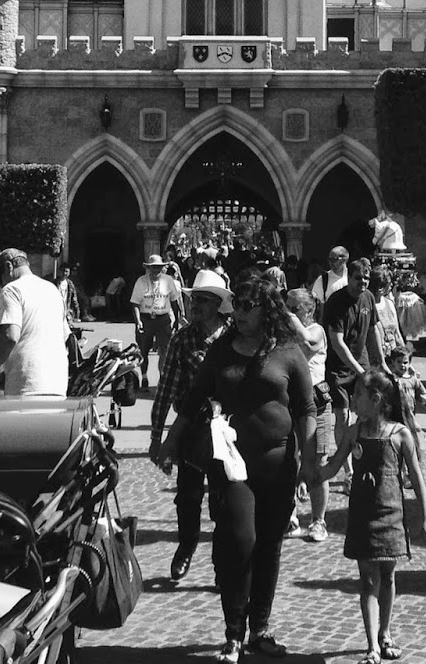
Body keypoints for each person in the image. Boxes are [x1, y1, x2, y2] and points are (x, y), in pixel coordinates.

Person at [155, 274, 317, 663]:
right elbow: (193, 397)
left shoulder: (287, 351)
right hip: (231, 464)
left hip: (278, 464)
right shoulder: (222, 350)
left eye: (246, 306)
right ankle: (233, 633)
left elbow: (306, 408)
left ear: (267, 310)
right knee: (239, 542)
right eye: (236, 305)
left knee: (269, 546)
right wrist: (169, 440)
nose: (237, 313)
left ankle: (259, 628)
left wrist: (310, 462)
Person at [322, 369, 426, 664]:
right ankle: (372, 645)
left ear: (376, 399)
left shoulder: (400, 434)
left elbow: (417, 478)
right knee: (368, 580)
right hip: (362, 516)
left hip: (391, 515)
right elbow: (333, 466)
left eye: (358, 394)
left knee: (388, 576)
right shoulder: (354, 432)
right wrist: (307, 476)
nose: (353, 399)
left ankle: (385, 633)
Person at [150, 268, 234, 581]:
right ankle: (186, 546)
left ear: (217, 304)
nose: (195, 305)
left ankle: (222, 564)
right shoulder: (182, 339)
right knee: (188, 496)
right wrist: (157, 437)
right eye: (193, 299)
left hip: (227, 431)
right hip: (192, 428)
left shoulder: (234, 338)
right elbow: (166, 389)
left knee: (223, 500)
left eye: (202, 300)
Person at [0, 249, 68, 398]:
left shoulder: (12, 289)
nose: (2, 284)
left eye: (2, 278)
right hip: (57, 382)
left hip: (27, 385)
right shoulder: (52, 290)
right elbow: (64, 335)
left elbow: (10, 337)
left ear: (9, 267)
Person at [324, 259, 387, 458]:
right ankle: (346, 466)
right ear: (349, 277)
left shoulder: (368, 297)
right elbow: (337, 343)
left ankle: (362, 453)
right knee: (342, 414)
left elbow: (373, 330)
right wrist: (359, 371)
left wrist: (382, 361)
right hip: (338, 367)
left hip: (362, 361)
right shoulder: (336, 302)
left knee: (367, 409)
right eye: (358, 278)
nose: (363, 282)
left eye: (366, 278)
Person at [281, 288, 330, 545]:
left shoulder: (316, 330)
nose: (288, 312)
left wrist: (291, 320)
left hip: (316, 400)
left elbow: (308, 346)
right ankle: (289, 517)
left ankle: (318, 520)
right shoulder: (286, 332)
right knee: (288, 459)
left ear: (309, 310)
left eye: (294, 308)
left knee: (318, 462)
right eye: (286, 306)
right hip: (290, 401)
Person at [131, 256, 185, 388]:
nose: (156, 270)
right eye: (153, 267)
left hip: (163, 319)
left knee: (164, 350)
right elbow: (135, 303)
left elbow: (174, 301)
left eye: (159, 267)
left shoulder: (168, 280)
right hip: (146, 319)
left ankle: (162, 377)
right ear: (148, 268)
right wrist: (138, 321)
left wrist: (176, 319)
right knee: (144, 350)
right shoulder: (141, 282)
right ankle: (144, 377)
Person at [385, 346, 426, 463]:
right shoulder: (390, 379)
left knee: (411, 439)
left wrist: (425, 399)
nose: (402, 365)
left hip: (410, 416)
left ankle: (412, 462)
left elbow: (423, 393)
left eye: (405, 362)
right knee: (395, 440)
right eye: (399, 362)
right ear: (393, 363)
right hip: (394, 415)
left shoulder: (413, 380)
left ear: (410, 363)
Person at [311, 247, 350, 315]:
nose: (331, 262)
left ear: (344, 260)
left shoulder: (353, 277)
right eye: (329, 259)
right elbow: (315, 303)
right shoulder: (322, 279)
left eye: (334, 259)